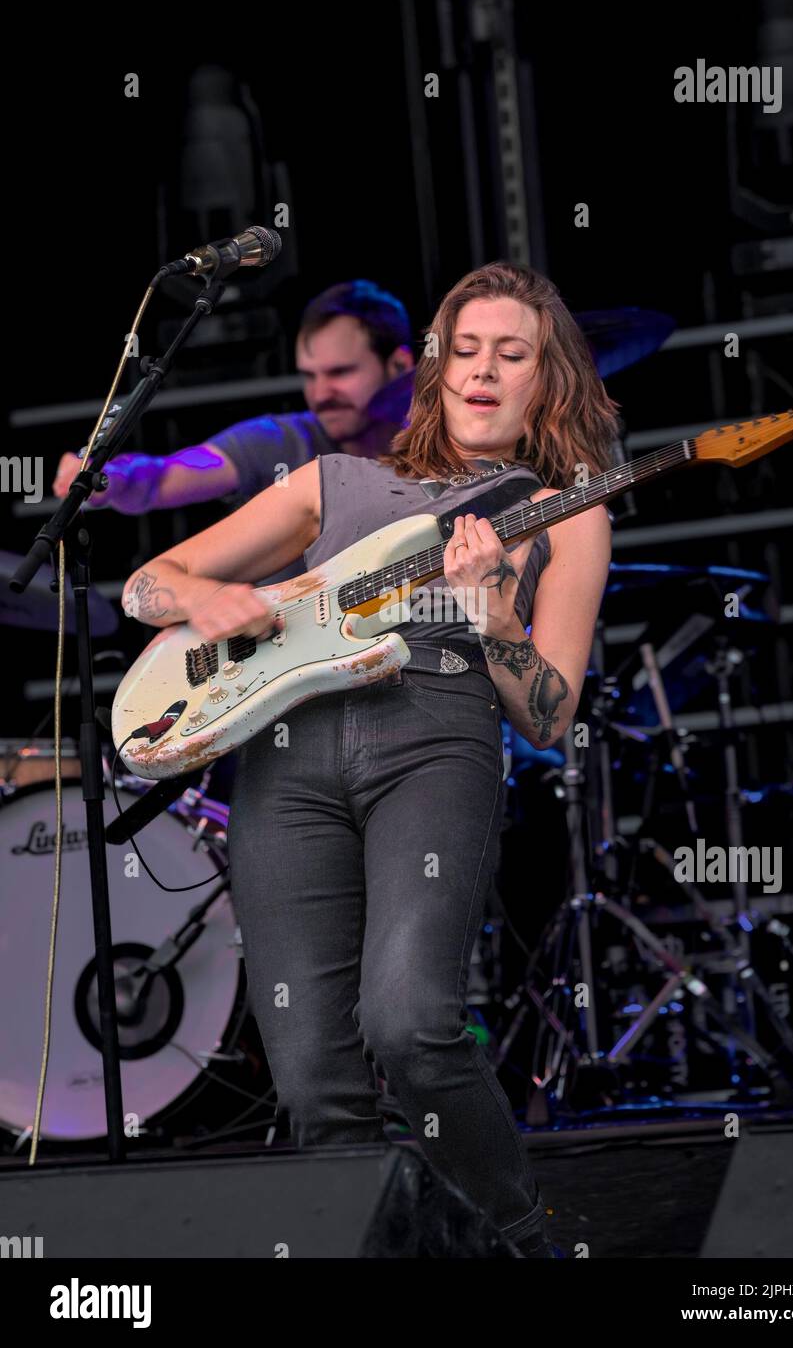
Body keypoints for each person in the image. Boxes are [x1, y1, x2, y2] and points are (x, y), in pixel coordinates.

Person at [121, 261, 618, 1257]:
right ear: (434, 367)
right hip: (284, 763)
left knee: (411, 1023)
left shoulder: (567, 511)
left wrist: (496, 615)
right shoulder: (334, 480)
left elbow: (548, 715)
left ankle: (528, 1240)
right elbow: (146, 581)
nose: (480, 371)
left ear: (545, 380)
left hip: (433, 747)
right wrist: (200, 601)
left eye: (509, 354)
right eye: (463, 349)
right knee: (309, 1076)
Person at [52, 279, 414, 522]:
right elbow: (165, 477)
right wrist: (111, 477)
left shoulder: (452, 444)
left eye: (339, 373)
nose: (320, 394)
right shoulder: (277, 441)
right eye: (309, 375)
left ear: (399, 364)